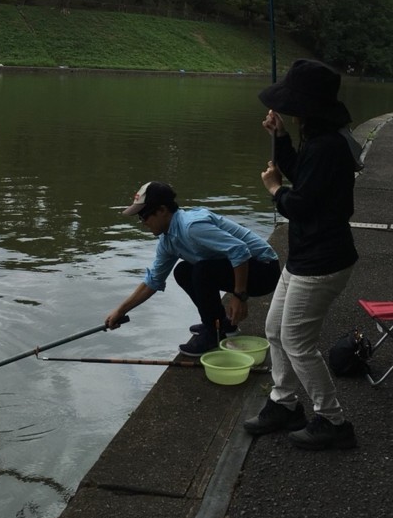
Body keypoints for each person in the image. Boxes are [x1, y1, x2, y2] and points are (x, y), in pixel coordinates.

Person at [244, 58, 360, 451]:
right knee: (275, 329)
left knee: (297, 341)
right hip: (306, 254)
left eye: (292, 107)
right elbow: (301, 172)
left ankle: (333, 420)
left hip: (323, 261)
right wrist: (280, 137)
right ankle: (284, 404)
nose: (288, 112)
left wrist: (275, 190)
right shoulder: (319, 139)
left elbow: (301, 204)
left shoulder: (328, 147)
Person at [104, 181, 281, 356]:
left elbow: (239, 250)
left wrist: (239, 295)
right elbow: (153, 282)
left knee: (201, 270)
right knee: (183, 271)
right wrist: (120, 311)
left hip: (264, 270)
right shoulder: (168, 240)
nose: (142, 222)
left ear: (163, 211)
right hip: (243, 268)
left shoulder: (192, 227)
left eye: (144, 216)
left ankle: (212, 334)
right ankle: (221, 324)